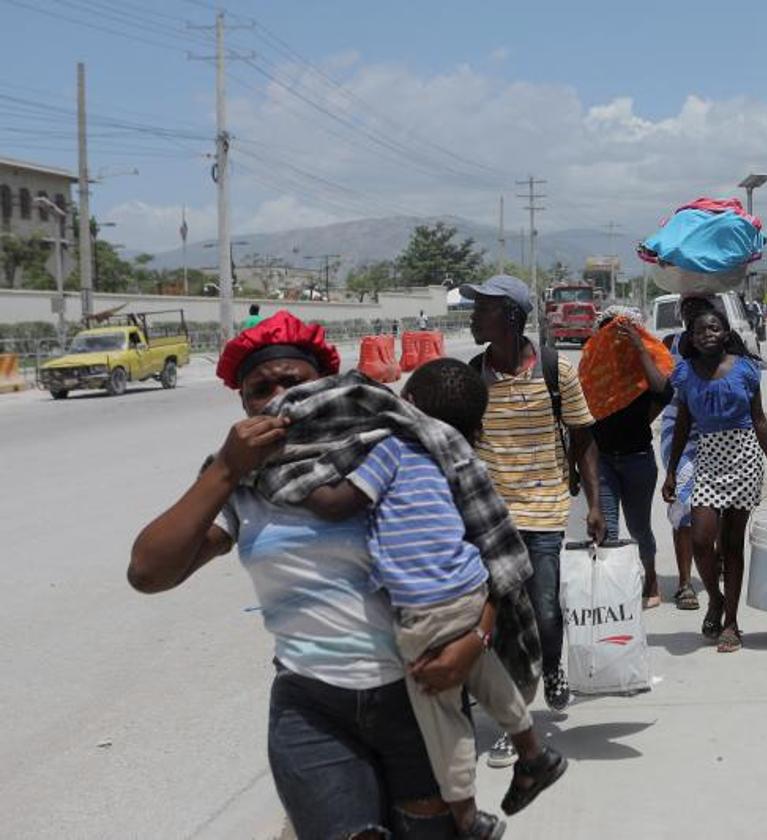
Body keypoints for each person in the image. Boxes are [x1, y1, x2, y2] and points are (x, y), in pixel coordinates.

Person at [127, 312, 470, 839]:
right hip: (312, 706)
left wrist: (477, 638)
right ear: (244, 406)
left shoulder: (390, 445)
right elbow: (148, 573)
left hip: (418, 695)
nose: (278, 397)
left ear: (326, 385)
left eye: (293, 381)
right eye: (260, 390)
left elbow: (484, 549)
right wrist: (225, 468)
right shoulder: (243, 482)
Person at [298, 358, 567, 839]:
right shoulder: (457, 457)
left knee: (440, 717)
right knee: (485, 672)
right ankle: (533, 752)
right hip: (469, 589)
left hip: (423, 607)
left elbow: (340, 505)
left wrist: (300, 484)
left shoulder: (390, 450)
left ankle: (467, 816)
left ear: (409, 405)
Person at [461, 274, 606, 767]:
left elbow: (583, 438)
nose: (474, 316)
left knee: (545, 612)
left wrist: (594, 504)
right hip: (490, 519)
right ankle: (513, 721)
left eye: (482, 308)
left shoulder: (554, 371)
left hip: (545, 509)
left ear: (510, 317)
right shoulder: (472, 375)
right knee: (502, 625)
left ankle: (554, 668)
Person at [664, 308, 767, 653]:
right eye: (698, 331)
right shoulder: (686, 374)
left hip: (744, 457)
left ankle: (732, 623)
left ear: (724, 333)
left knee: (733, 545)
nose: (706, 334)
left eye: (713, 328)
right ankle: (716, 600)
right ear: (690, 339)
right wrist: (672, 470)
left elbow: (760, 421)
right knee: (702, 539)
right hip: (708, 459)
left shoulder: (746, 369)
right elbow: (681, 425)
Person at [584, 307, 673, 608]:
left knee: (639, 529)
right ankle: (615, 591)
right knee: (606, 530)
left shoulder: (642, 376)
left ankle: (650, 578)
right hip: (605, 462)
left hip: (638, 461)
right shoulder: (594, 376)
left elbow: (664, 390)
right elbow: (583, 428)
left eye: (620, 332)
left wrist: (638, 347)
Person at [657, 296, 715, 611]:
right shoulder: (671, 344)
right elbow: (659, 387)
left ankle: (710, 557)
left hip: (715, 432)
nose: (692, 316)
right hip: (678, 432)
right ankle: (683, 583)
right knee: (686, 500)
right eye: (687, 310)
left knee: (715, 503)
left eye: (699, 310)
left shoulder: (721, 342)